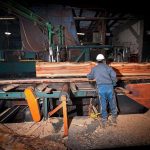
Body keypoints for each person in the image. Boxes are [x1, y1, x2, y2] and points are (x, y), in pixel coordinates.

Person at [87, 54, 118, 128]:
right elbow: (114, 76)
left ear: (97, 61)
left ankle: (104, 119)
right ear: (104, 60)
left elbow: (90, 76)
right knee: (112, 102)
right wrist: (113, 84)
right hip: (109, 87)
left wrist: (89, 76)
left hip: (101, 88)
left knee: (103, 103)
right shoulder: (108, 68)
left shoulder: (95, 68)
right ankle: (114, 117)